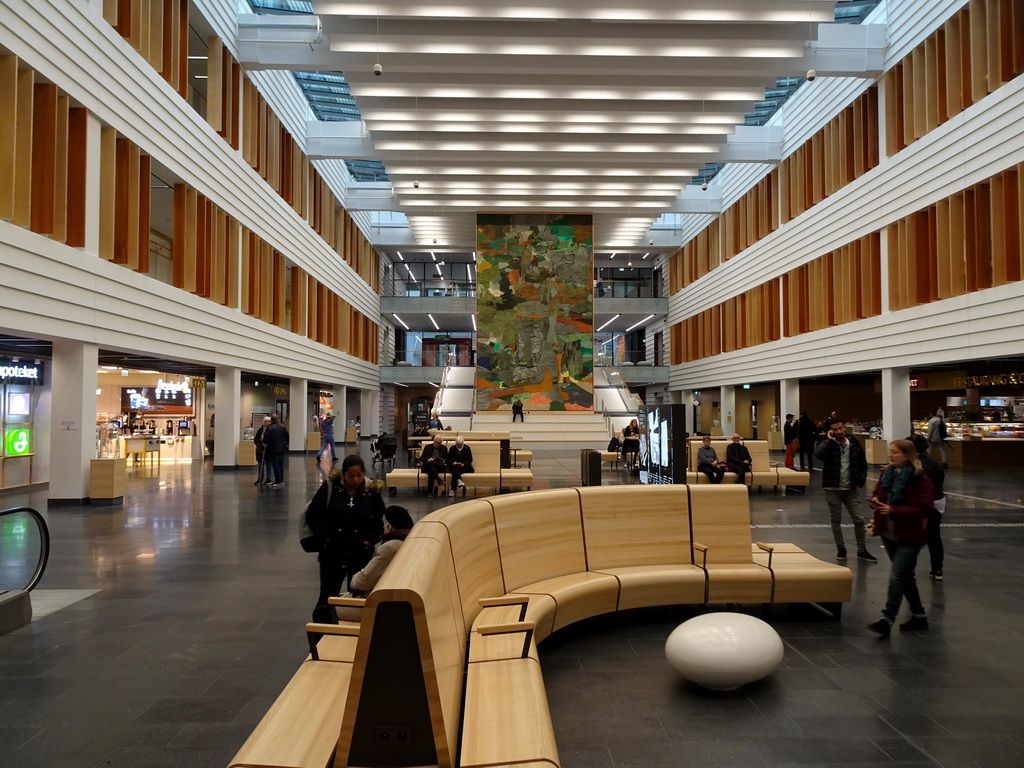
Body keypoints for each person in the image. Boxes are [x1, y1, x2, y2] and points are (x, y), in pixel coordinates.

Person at [866, 439, 935, 637]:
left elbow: (924, 508)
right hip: (888, 532)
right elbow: (878, 491)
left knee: (897, 577)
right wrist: (876, 501)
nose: (890, 455)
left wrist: (894, 510)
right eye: (891, 452)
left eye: (895, 452)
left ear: (907, 455)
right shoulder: (886, 473)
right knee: (905, 576)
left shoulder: (919, 479)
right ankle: (919, 617)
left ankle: (887, 619)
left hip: (909, 535)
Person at [306, 455, 386, 617]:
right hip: (332, 552)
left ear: (364, 473)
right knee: (327, 595)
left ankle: (354, 633)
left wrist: (369, 540)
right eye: (351, 476)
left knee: (357, 596)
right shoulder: (331, 487)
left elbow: (379, 520)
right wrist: (325, 536)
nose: (355, 480)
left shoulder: (371, 492)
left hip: (360, 553)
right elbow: (313, 513)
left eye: (359, 475)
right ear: (343, 474)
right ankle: (321, 633)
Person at [332, 505, 414, 622]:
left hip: (377, 606)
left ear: (389, 527)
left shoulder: (390, 548)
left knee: (322, 611)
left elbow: (363, 582)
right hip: (395, 603)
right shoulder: (409, 543)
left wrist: (356, 577)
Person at [814, 416, 877, 563]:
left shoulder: (854, 444)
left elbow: (863, 464)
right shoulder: (829, 445)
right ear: (831, 431)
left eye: (840, 428)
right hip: (832, 488)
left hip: (850, 489)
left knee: (859, 519)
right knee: (836, 520)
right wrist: (829, 440)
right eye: (835, 429)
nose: (839, 431)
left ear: (845, 428)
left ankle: (862, 549)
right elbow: (818, 455)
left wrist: (860, 481)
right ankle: (841, 548)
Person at [909, 434, 946, 581]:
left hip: (919, 504)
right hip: (937, 502)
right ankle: (937, 569)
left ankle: (910, 569)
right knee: (934, 537)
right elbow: (941, 481)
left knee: (912, 537)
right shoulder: (934, 463)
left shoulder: (912, 464)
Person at [264, 413, 289, 487]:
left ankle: (278, 481)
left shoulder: (269, 428)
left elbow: (266, 439)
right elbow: (287, 436)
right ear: (277, 419)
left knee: (275, 464)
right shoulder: (283, 427)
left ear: (271, 420)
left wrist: (265, 444)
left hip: (273, 449)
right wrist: (285, 444)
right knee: (281, 464)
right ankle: (281, 480)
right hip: (282, 449)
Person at [254, 416, 271, 485]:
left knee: (268, 464)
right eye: (265, 421)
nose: (267, 423)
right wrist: (258, 443)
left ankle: (268, 478)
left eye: (268, 421)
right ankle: (260, 478)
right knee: (260, 465)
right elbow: (256, 438)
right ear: (263, 422)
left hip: (268, 449)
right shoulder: (260, 430)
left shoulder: (271, 429)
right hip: (260, 449)